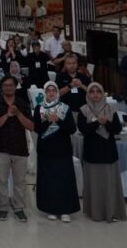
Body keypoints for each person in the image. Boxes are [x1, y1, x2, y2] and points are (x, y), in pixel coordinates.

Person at [77, 82, 127, 222]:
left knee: (109, 184)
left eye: (98, 91)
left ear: (102, 93)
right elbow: (83, 130)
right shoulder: (84, 110)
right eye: (92, 92)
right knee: (94, 184)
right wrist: (97, 122)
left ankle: (111, 211)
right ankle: (96, 213)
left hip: (108, 152)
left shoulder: (111, 109)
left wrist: (106, 123)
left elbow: (117, 129)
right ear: (88, 94)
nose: (95, 95)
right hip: (92, 152)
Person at [0, 75, 33, 222]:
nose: (8, 87)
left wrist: (18, 113)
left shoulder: (22, 103)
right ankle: (2, 208)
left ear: (15, 86)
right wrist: (7, 115)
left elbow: (31, 126)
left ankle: (19, 208)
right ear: (1, 87)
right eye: (5, 85)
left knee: (20, 181)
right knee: (1, 180)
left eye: (11, 85)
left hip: (20, 147)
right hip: (2, 147)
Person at [34, 81, 79, 222]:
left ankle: (65, 210)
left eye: (53, 90)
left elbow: (71, 129)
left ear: (57, 92)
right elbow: (37, 129)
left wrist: (58, 120)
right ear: (45, 93)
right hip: (46, 150)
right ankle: (51, 209)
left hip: (62, 150)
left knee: (64, 180)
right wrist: (48, 121)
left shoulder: (65, 108)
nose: (51, 93)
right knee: (48, 181)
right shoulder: (39, 108)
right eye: (48, 90)